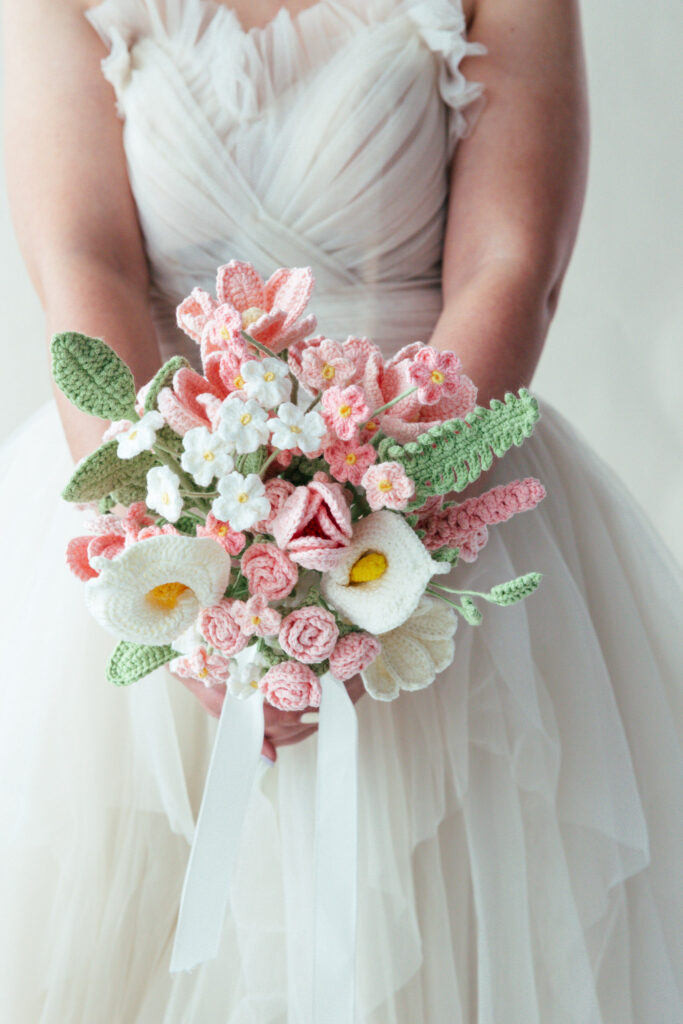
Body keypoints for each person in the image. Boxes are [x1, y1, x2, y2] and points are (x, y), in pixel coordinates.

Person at [1, 0, 681, 1020]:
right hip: (160, 500)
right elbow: (86, 268)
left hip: (430, 509)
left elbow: (508, 271)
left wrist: (367, 566)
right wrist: (189, 584)